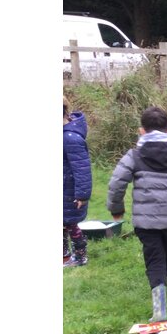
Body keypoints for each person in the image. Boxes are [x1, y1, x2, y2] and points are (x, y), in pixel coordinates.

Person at [107, 106, 167, 320]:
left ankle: (159, 308)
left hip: (145, 222)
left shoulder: (134, 156)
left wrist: (116, 209)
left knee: (154, 257)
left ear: (141, 131)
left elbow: (116, 184)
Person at [63, 96, 92, 267]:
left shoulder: (71, 138)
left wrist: (82, 195)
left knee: (70, 224)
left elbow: (82, 169)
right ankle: (64, 256)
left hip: (69, 191)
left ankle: (80, 256)